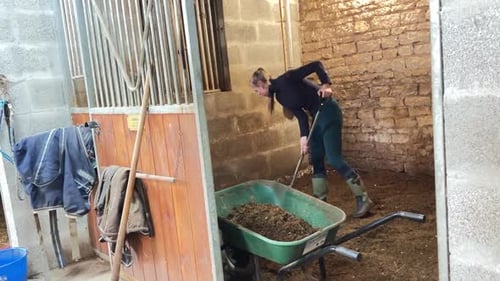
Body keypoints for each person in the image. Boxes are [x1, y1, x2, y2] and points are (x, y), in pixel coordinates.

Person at [250, 60, 374, 218]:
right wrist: (303, 138)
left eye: (256, 91)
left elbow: (316, 65)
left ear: (261, 84)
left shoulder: (287, 78)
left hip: (327, 110)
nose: (258, 94)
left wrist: (326, 84)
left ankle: (363, 198)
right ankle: (319, 201)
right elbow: (301, 116)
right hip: (315, 116)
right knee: (316, 159)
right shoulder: (280, 97)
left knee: (334, 159)